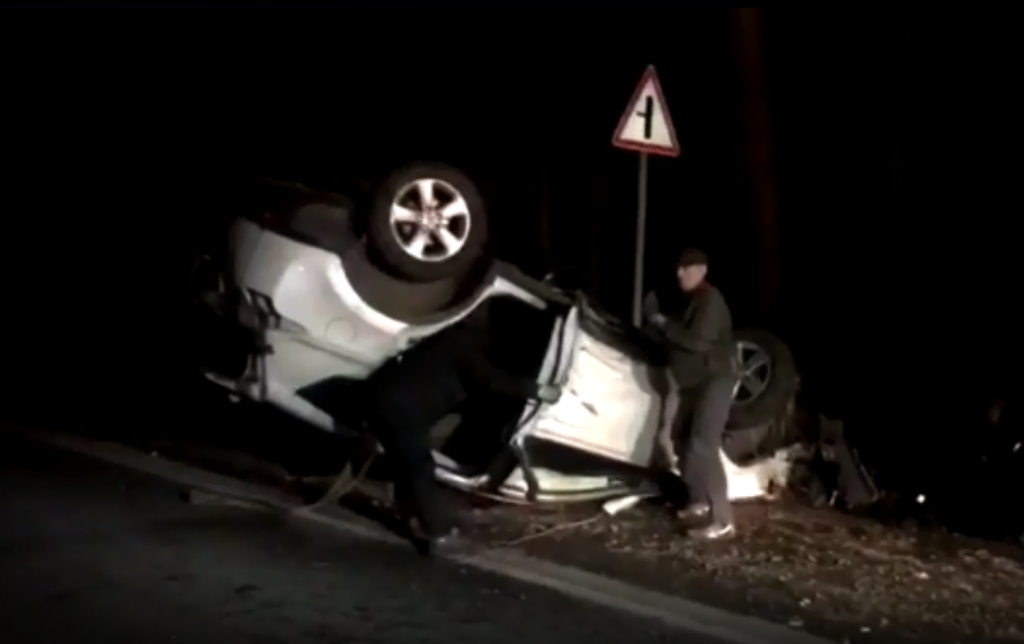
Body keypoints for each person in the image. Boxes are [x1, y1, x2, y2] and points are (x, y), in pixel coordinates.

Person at [363, 300, 561, 556]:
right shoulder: (461, 345)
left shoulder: (453, 340)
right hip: (396, 408)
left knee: (408, 465)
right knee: (419, 467)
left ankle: (410, 515)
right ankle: (438, 534)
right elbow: (489, 380)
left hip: (390, 403)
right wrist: (538, 390)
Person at [643, 247, 738, 540]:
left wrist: (664, 324)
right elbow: (676, 342)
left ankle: (722, 519)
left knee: (702, 445)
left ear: (702, 271)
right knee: (680, 439)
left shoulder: (710, 300)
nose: (679, 274)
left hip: (714, 381)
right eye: (678, 268)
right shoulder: (691, 302)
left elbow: (696, 341)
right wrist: (654, 323)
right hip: (693, 383)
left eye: (687, 269)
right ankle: (698, 501)